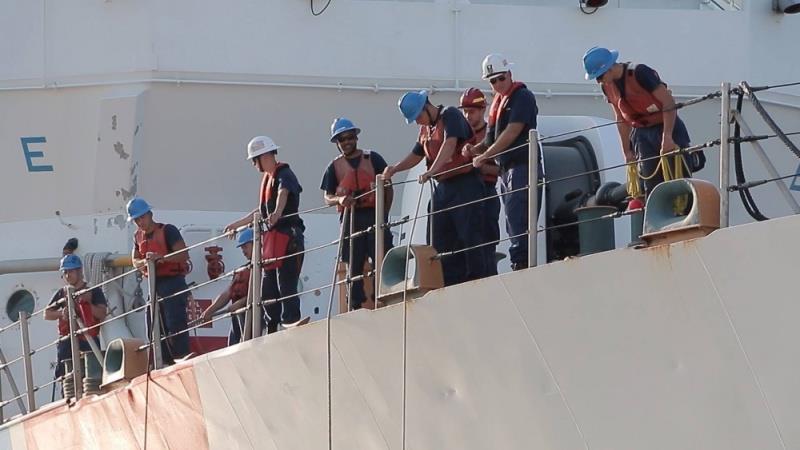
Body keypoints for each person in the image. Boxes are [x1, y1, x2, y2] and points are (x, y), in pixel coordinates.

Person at [383, 91, 487, 286]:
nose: (417, 122)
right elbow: (416, 154)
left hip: (465, 184)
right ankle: (448, 281)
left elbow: (450, 142)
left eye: (418, 117)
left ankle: (476, 281)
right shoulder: (425, 129)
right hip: (443, 187)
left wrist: (432, 171)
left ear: (426, 108)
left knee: (469, 235)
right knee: (439, 237)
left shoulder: (450, 115)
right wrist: (395, 169)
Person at [582, 46, 699, 196]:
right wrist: (627, 151)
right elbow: (620, 119)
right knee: (650, 186)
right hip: (641, 135)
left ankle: (684, 212)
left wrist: (667, 136)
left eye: (599, 76)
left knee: (679, 182)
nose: (599, 82)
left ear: (609, 68)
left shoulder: (640, 72)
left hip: (667, 127)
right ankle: (656, 214)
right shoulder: (607, 87)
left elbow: (668, 103)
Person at [225, 136, 306, 333]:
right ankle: (272, 326)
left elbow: (283, 193)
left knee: (286, 284)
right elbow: (260, 211)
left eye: (255, 159)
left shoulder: (284, 174)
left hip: (288, 237)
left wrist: (277, 213)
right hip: (272, 241)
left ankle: (291, 323)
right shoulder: (268, 179)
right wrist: (237, 224)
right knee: (268, 288)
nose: (254, 164)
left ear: (266, 156)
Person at [468, 54, 540, 271]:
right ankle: (519, 259)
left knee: (519, 215)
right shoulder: (499, 104)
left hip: (522, 165)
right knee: (511, 217)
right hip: (507, 169)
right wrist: (475, 149)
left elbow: (512, 132)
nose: (497, 84)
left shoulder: (523, 97)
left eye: (500, 78)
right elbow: (491, 138)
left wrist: (484, 154)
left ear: (509, 75)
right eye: (492, 81)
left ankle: (522, 261)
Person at [320, 117, 393, 310]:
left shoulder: (373, 158)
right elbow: (327, 197)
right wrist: (340, 199)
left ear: (356, 137)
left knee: (382, 258)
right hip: (350, 219)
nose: (346, 142)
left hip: (374, 215)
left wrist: (383, 215)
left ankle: (386, 297)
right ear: (337, 143)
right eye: (341, 139)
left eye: (349, 137)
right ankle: (355, 305)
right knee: (353, 263)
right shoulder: (333, 167)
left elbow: (388, 186)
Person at [128, 197, 192, 364]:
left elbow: (183, 254)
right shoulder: (137, 237)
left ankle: (180, 358)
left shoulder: (168, 231)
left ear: (150, 214)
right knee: (152, 324)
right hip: (154, 285)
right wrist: (143, 263)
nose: (140, 222)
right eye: (136, 219)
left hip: (173, 282)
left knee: (175, 323)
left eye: (142, 217)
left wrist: (162, 259)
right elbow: (135, 259)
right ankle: (161, 362)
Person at [459, 88, 501, 276]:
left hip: (486, 193)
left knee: (487, 241)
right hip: (463, 196)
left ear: (483, 110)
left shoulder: (492, 136)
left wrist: (483, 168)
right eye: (465, 111)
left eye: (472, 111)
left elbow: (503, 169)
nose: (468, 115)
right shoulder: (457, 136)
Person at [44, 254, 107, 378]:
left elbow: (102, 313)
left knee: (93, 372)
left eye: (70, 271)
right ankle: (68, 392)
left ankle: (92, 389)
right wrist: (61, 313)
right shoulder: (62, 293)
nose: (67, 275)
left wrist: (87, 304)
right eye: (65, 272)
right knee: (64, 374)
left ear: (79, 271)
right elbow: (46, 314)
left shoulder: (93, 291)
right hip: (67, 339)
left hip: (88, 338)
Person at [200, 227, 255, 345]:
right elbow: (228, 292)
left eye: (245, 246)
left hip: (254, 319)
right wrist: (210, 311)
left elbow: (262, 292)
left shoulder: (264, 268)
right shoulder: (243, 270)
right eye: (242, 248)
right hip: (238, 318)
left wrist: (240, 303)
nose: (243, 251)